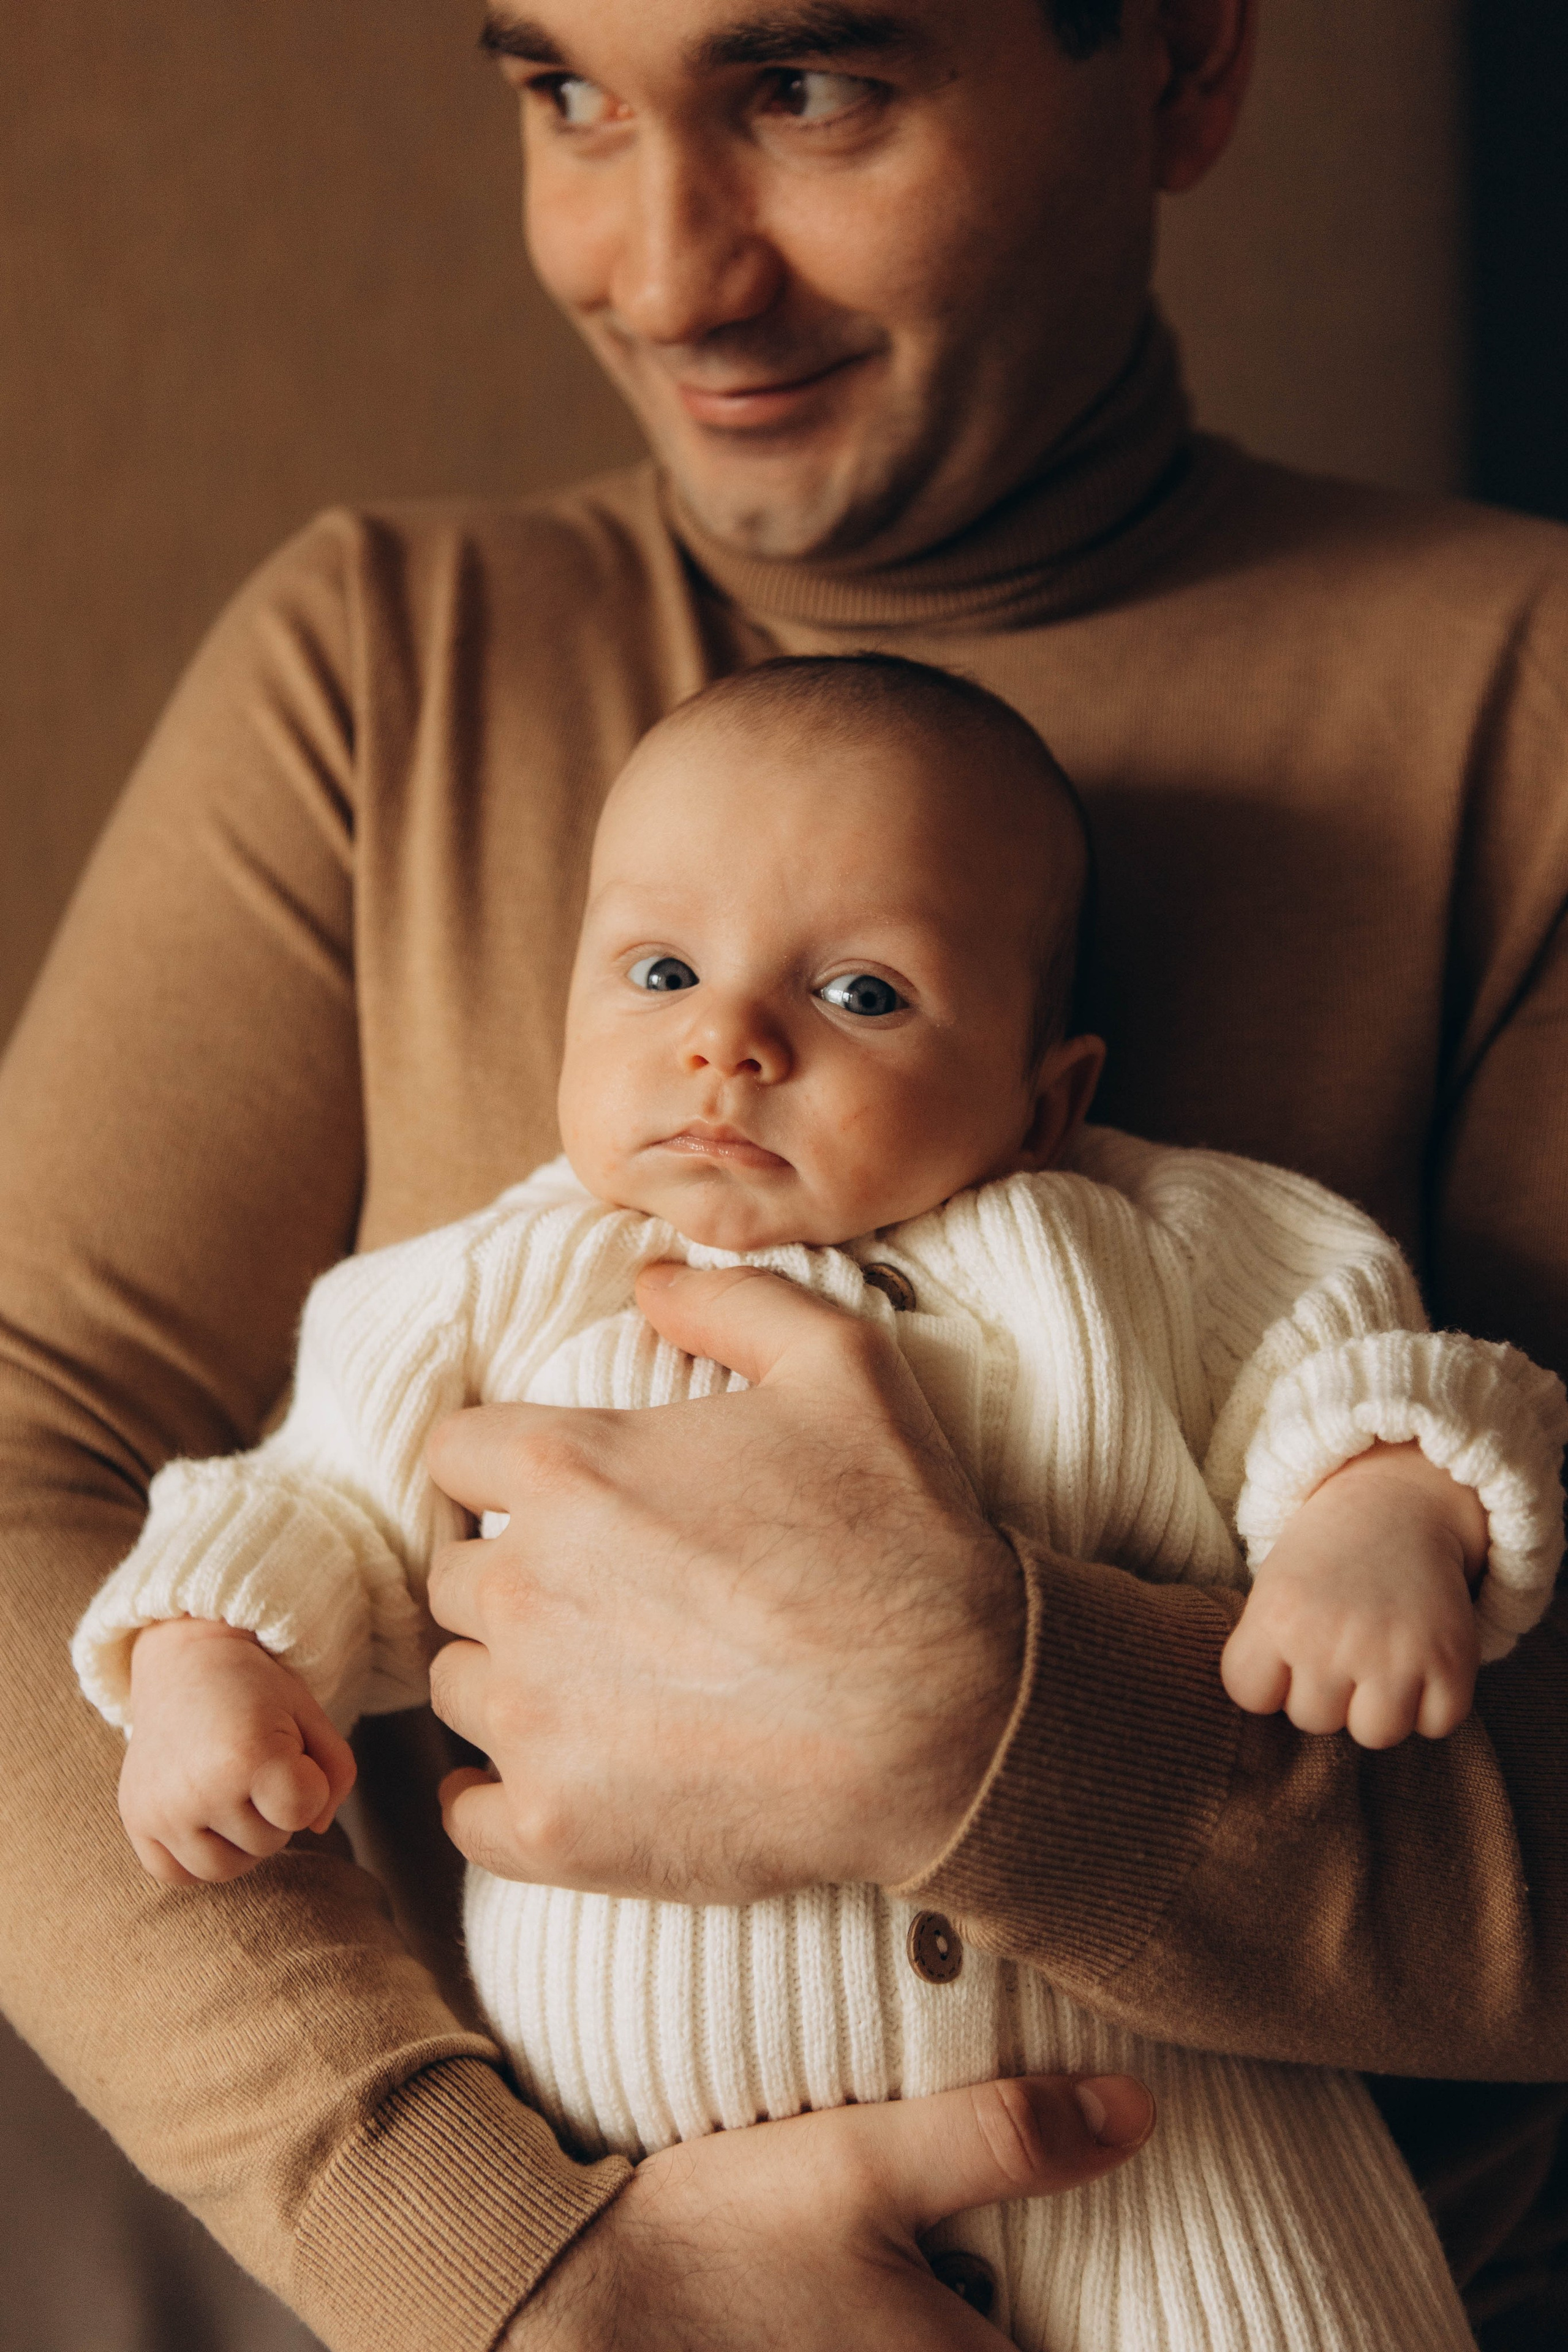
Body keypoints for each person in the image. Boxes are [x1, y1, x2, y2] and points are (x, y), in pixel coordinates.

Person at [2, 3, 1567, 2348]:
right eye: (564, 96)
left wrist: (990, 1722)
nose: (660, 269)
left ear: (1180, 65)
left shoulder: (1526, 698)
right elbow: (33, 1463)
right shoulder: (379, 665)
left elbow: (1411, 1436)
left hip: (1261, 2252)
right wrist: (498, 2264)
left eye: (807, 91)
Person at [72, 653, 1567, 2351]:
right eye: (657, 972)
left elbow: (1381, 1374)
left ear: (1046, 1091)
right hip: (659, 2199)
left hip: (1178, 2173)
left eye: (860, 995)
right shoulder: (489, 1288)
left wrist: (1384, 1520)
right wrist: (211, 1665)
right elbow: (310, 1506)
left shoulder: (1160, 1247)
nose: (728, 1039)